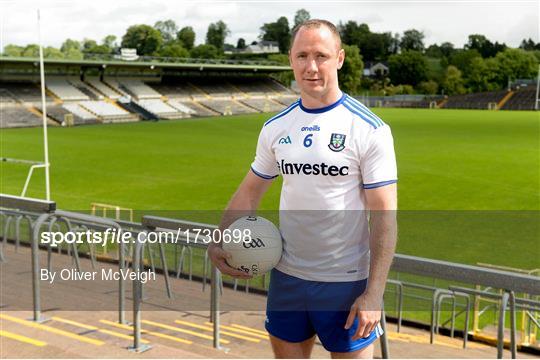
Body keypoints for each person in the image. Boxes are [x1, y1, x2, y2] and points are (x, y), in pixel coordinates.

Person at [209, 19, 398, 359]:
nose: (311, 67)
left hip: (346, 284)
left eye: (321, 56)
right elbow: (250, 192)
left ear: (339, 58)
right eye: (302, 56)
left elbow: (385, 216)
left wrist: (374, 293)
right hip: (287, 279)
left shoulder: (369, 129)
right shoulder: (275, 128)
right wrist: (222, 238)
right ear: (290, 60)